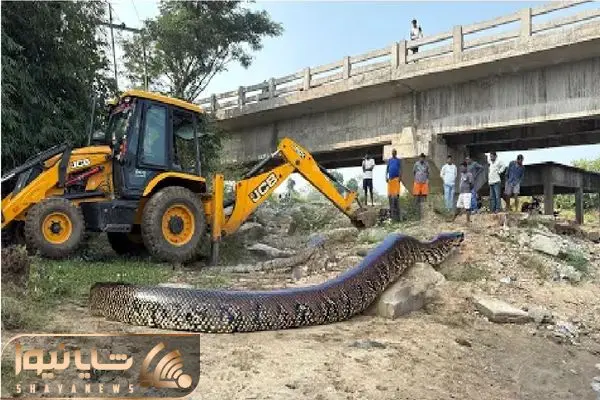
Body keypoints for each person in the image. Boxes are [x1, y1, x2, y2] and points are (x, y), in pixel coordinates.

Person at [386, 149, 402, 222]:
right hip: (390, 179)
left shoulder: (398, 160)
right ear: (391, 153)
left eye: (394, 153)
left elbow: (400, 169)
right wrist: (386, 176)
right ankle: (392, 215)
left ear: (396, 153)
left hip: (396, 179)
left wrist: (400, 177)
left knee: (396, 196)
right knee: (390, 196)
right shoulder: (389, 160)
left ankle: (398, 217)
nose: (393, 154)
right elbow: (387, 169)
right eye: (392, 153)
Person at [412, 153, 430, 219]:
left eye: (423, 157)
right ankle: (415, 214)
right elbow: (414, 172)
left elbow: (428, 173)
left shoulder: (427, 164)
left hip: (424, 183)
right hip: (417, 183)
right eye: (421, 157)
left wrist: (427, 180)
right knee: (416, 198)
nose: (422, 158)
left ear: (424, 158)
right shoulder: (416, 164)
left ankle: (424, 215)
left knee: (424, 198)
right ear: (419, 158)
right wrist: (417, 178)